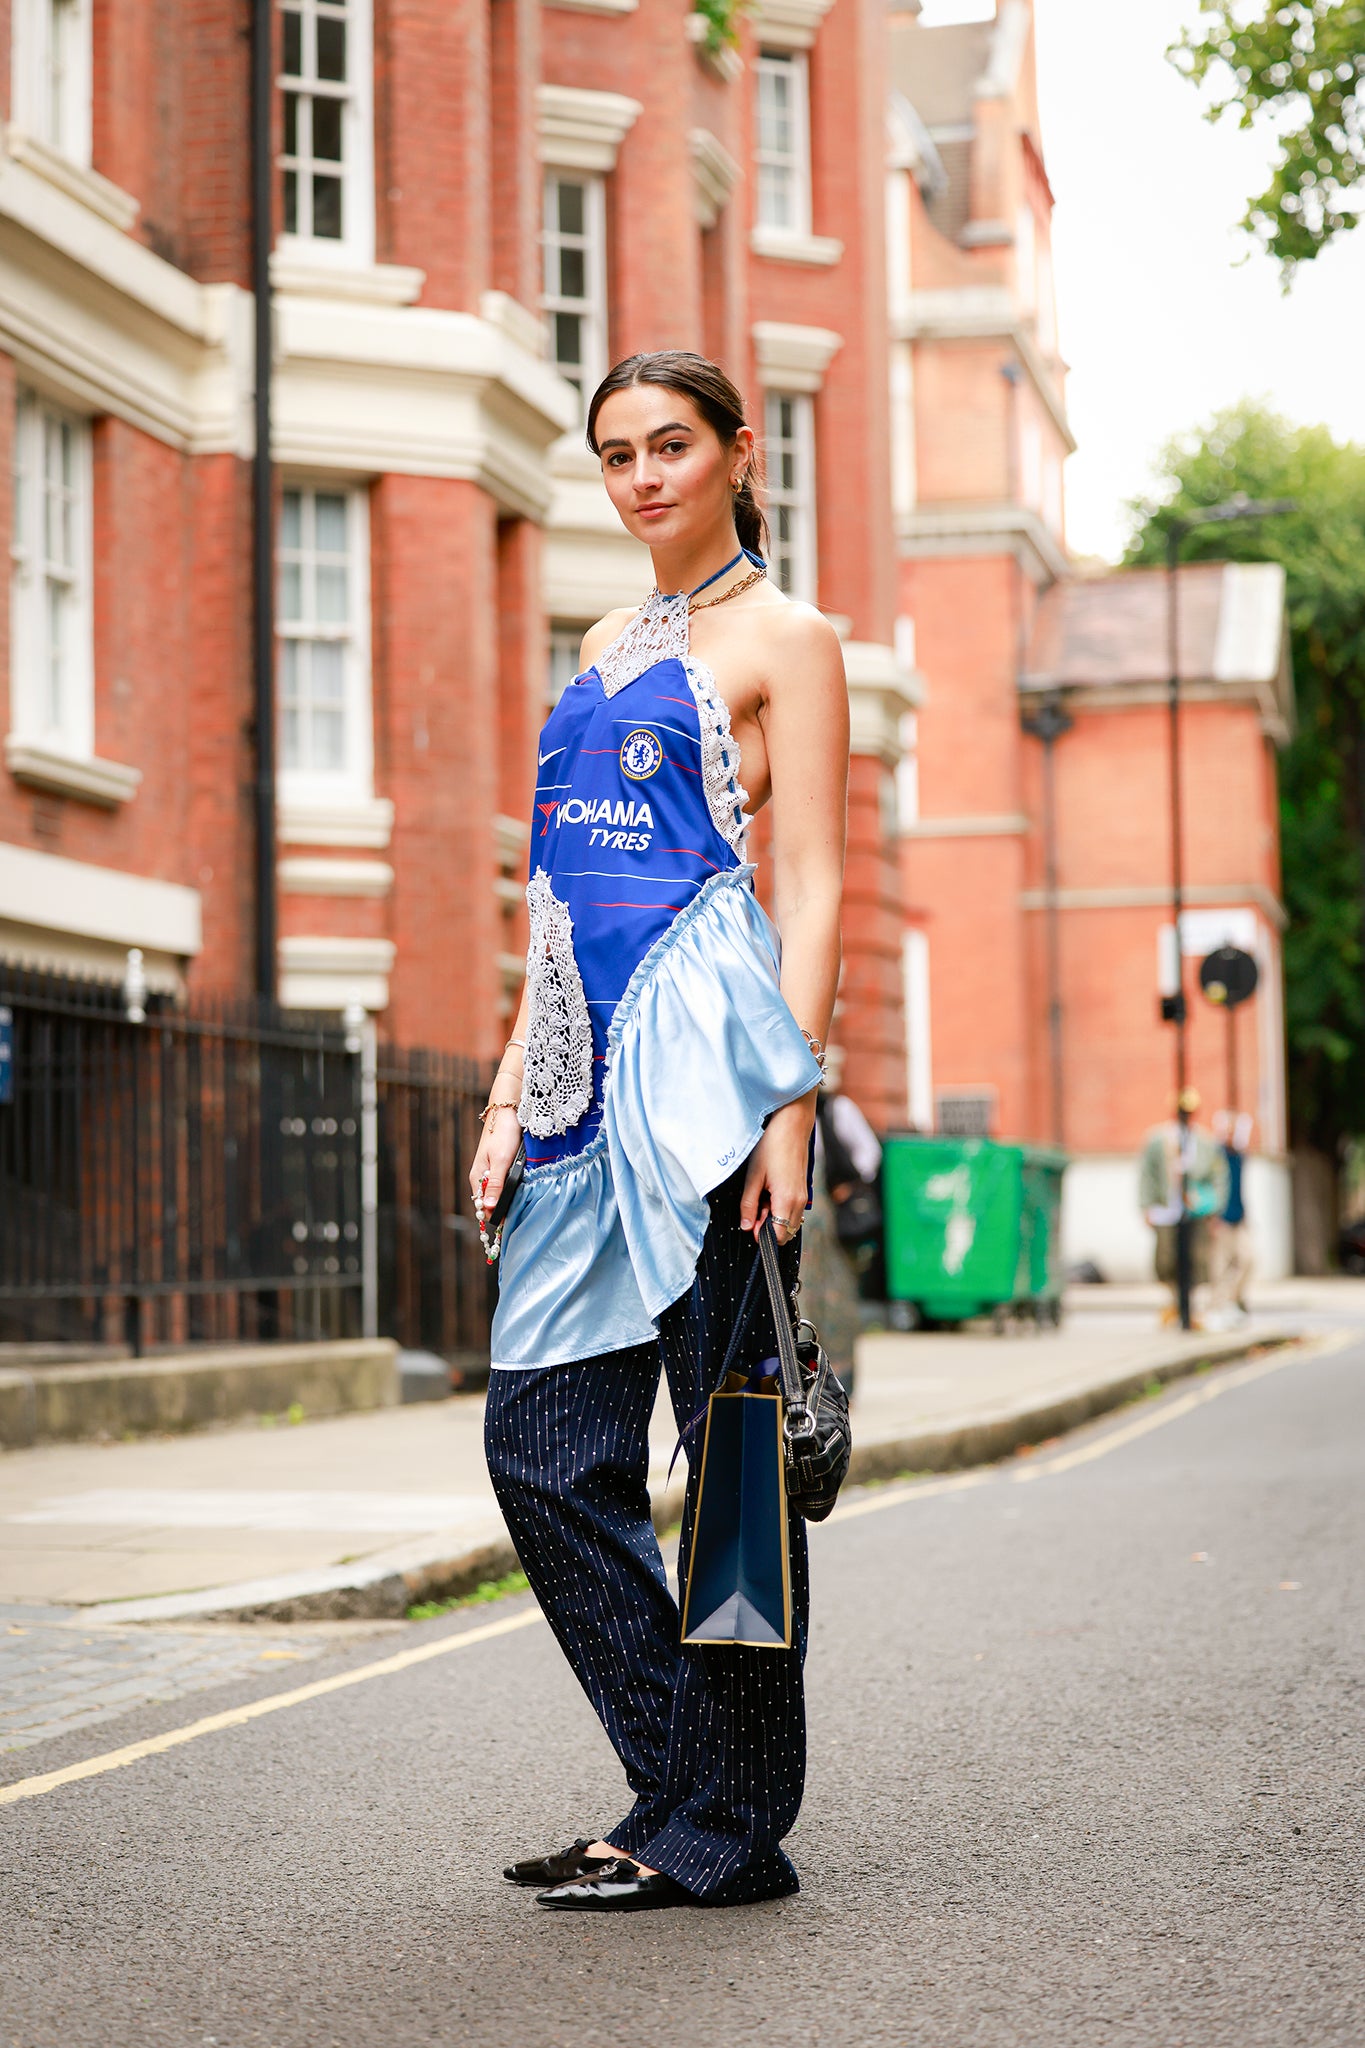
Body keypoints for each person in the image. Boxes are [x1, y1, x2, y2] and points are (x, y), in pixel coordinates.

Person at [469, 350, 848, 1913]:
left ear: (736, 453)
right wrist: (506, 1093)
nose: (642, 478)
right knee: (543, 1452)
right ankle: (677, 1785)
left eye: (671, 445)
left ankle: (722, 1825)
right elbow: (551, 896)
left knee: (734, 1464)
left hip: (707, 1089)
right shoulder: (601, 638)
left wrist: (790, 1102)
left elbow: (811, 876)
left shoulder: (791, 638)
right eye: (617, 452)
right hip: (573, 1086)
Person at [1138, 1088, 1229, 1329]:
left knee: (1196, 1259)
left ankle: (1189, 1307)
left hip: (1196, 1212)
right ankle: (1175, 1301)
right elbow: (1146, 1174)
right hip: (1166, 1210)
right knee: (1165, 1260)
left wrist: (1215, 1209)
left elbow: (1218, 1177)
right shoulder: (1158, 1139)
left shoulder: (1205, 1141)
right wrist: (1145, 1206)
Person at [1206, 1109, 1254, 1328]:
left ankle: (1233, 1301)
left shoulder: (1240, 1157)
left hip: (1239, 1217)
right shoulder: (1215, 1156)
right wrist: (1212, 1216)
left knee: (1248, 1260)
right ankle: (1217, 1307)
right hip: (1221, 1219)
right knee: (1220, 1267)